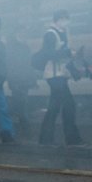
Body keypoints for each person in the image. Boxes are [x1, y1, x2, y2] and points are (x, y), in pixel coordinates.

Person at [37, 10, 84, 146]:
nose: (65, 21)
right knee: (68, 105)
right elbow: (49, 54)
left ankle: (46, 139)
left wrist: (73, 70)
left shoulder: (63, 33)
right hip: (54, 75)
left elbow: (64, 57)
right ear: (56, 20)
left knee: (55, 107)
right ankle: (72, 139)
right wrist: (68, 52)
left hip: (59, 75)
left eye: (66, 18)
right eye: (62, 18)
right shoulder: (51, 34)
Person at [6, 21, 37, 138]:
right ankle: (26, 131)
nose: (24, 34)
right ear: (16, 33)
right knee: (21, 106)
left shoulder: (23, 47)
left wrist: (32, 80)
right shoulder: (13, 48)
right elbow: (10, 66)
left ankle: (7, 126)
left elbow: (29, 66)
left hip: (23, 80)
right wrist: (12, 81)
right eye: (22, 31)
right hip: (17, 80)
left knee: (19, 106)